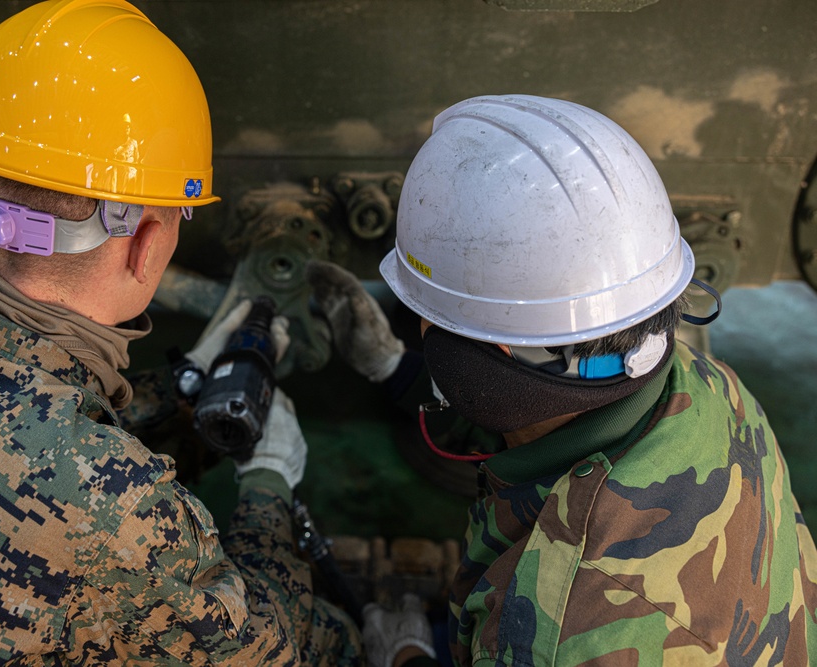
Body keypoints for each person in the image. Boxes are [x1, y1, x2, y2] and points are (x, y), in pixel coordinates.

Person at [0, 1, 362, 664]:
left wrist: (186, 388)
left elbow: (23, 409)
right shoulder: (120, 505)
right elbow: (268, 648)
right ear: (148, 242)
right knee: (337, 635)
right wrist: (269, 481)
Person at [310, 95, 817, 665]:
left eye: (429, 319)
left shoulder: (550, 632)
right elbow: (538, 395)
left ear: (495, 351)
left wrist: (405, 657)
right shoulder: (712, 385)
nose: (424, 332)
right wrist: (398, 373)